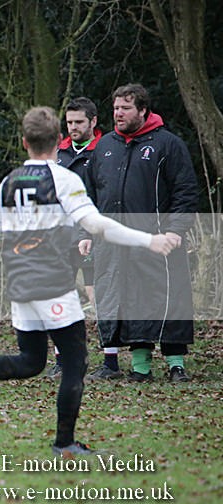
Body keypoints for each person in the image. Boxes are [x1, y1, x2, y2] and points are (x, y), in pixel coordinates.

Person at [0, 106, 178, 455]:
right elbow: (96, 226)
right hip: (53, 283)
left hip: (19, 284)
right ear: (57, 142)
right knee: (75, 363)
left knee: (31, 360)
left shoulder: (10, 181)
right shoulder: (64, 179)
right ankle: (64, 443)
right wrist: (149, 240)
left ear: (24, 142)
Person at [80, 83, 198, 383]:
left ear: (143, 110)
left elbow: (185, 191)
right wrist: (87, 232)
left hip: (159, 240)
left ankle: (176, 364)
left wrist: (175, 230)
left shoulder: (168, 144)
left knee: (168, 300)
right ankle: (140, 367)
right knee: (127, 301)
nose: (118, 113)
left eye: (126, 108)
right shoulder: (104, 146)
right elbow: (90, 195)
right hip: (114, 243)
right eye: (116, 108)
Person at [47, 96, 120, 380]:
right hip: (60, 237)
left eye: (79, 122)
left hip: (93, 235)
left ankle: (110, 361)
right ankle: (63, 360)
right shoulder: (58, 153)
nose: (74, 127)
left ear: (93, 122)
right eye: (69, 122)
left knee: (99, 296)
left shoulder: (106, 150)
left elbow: (107, 195)